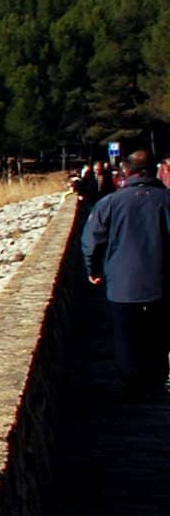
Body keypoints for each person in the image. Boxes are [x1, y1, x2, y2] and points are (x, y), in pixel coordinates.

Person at [81, 147, 170, 399]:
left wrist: (93, 270)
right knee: (159, 334)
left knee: (125, 335)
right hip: (162, 282)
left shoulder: (109, 203)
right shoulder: (167, 201)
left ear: (126, 171)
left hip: (122, 282)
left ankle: (132, 384)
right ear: (154, 171)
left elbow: (92, 241)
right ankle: (156, 381)